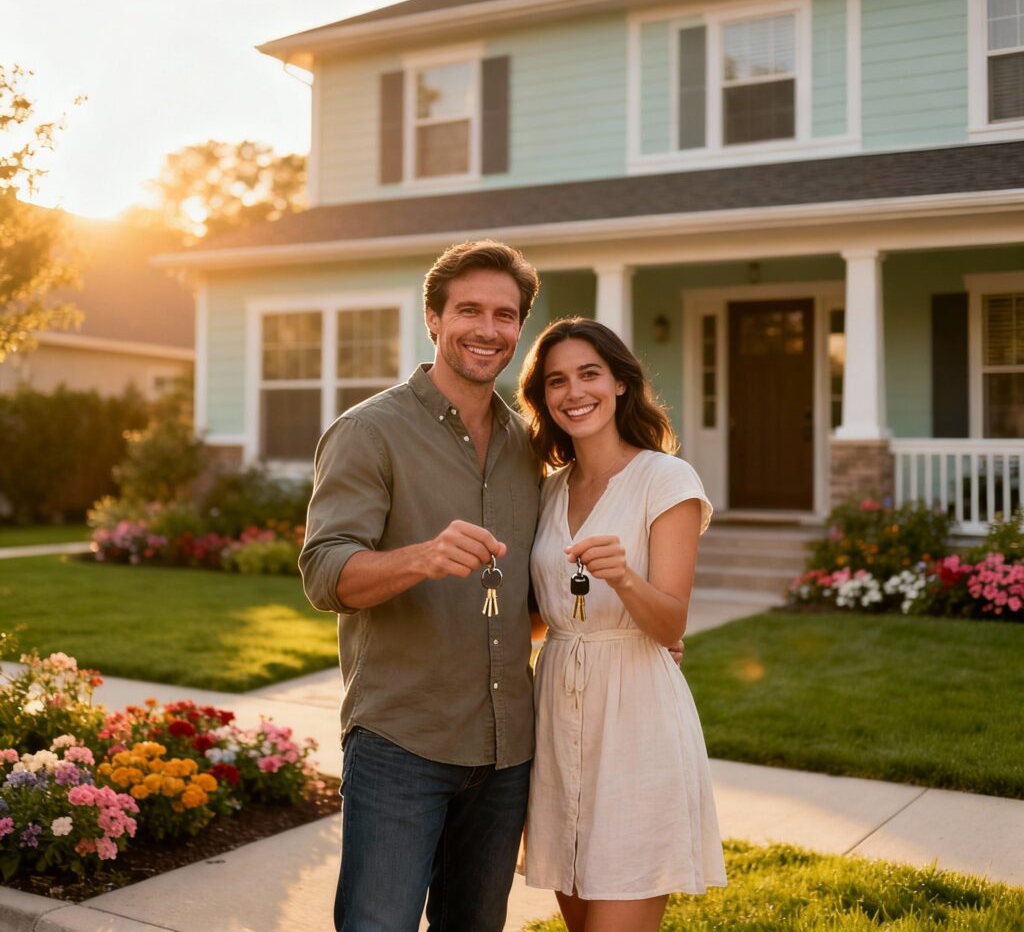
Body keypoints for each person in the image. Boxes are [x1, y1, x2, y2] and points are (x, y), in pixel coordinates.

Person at [299, 239, 543, 932]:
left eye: (505, 314)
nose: (488, 330)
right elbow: (324, 572)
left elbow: (539, 593)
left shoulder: (529, 445)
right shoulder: (369, 433)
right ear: (433, 318)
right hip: (402, 742)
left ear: (520, 327)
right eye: (469, 310)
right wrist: (423, 558)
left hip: (505, 753)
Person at [516, 317, 727, 932]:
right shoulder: (549, 491)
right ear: (543, 399)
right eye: (556, 381)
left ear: (620, 384)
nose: (573, 392)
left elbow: (670, 624)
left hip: (635, 720)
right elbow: (547, 618)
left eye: (589, 374)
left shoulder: (666, 480)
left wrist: (625, 578)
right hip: (556, 717)